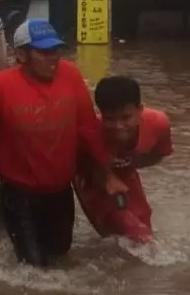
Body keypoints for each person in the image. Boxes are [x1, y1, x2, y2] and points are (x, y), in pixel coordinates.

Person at [0, 19, 128, 267]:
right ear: (21, 54)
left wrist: (108, 175)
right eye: (44, 52)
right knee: (33, 269)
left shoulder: (71, 75)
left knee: (60, 255)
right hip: (19, 194)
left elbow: (88, 129)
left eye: (56, 51)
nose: (53, 58)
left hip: (60, 191)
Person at [74, 76, 173, 243]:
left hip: (125, 173)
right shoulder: (91, 133)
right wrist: (106, 177)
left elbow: (158, 155)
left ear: (140, 109)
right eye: (110, 119)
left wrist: (128, 163)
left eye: (126, 117)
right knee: (124, 225)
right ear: (101, 113)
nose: (119, 126)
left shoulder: (159, 124)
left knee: (144, 225)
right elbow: (77, 166)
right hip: (91, 176)